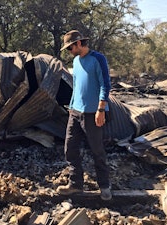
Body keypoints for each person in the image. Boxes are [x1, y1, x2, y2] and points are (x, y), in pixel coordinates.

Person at [57, 30, 112, 200]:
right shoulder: (76, 61)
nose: (69, 51)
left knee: (97, 151)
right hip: (75, 112)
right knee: (70, 149)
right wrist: (71, 107)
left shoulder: (98, 59)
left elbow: (106, 85)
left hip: (92, 113)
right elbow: (77, 86)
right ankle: (75, 185)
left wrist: (101, 109)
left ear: (79, 43)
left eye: (70, 48)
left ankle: (104, 186)